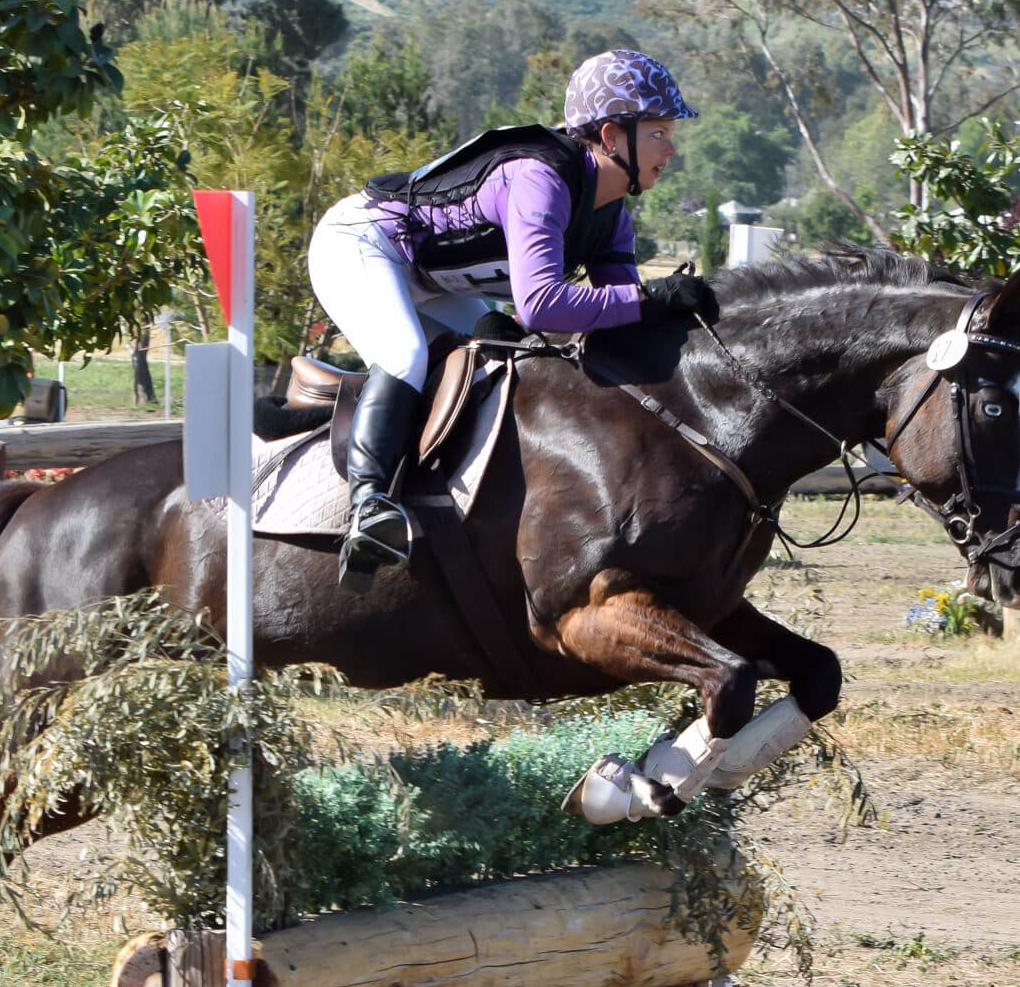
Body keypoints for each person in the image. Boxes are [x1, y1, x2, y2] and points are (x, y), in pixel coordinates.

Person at [306, 48, 721, 592]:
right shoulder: (539, 177)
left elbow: (617, 316)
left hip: (435, 283)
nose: (671, 149)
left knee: (498, 363)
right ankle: (369, 507)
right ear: (612, 136)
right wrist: (650, 297)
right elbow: (541, 305)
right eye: (659, 133)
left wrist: (678, 316)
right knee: (404, 354)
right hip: (362, 243)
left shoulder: (612, 219)